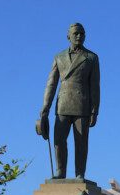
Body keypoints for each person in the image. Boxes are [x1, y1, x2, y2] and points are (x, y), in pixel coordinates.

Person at [40, 23, 100, 179]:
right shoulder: (59, 57)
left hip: (82, 105)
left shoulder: (91, 58)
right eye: (76, 33)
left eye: (82, 33)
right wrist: (45, 107)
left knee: (81, 142)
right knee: (59, 140)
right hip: (63, 103)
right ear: (69, 36)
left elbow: (95, 86)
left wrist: (95, 110)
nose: (79, 36)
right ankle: (60, 172)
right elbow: (51, 84)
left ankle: (80, 173)